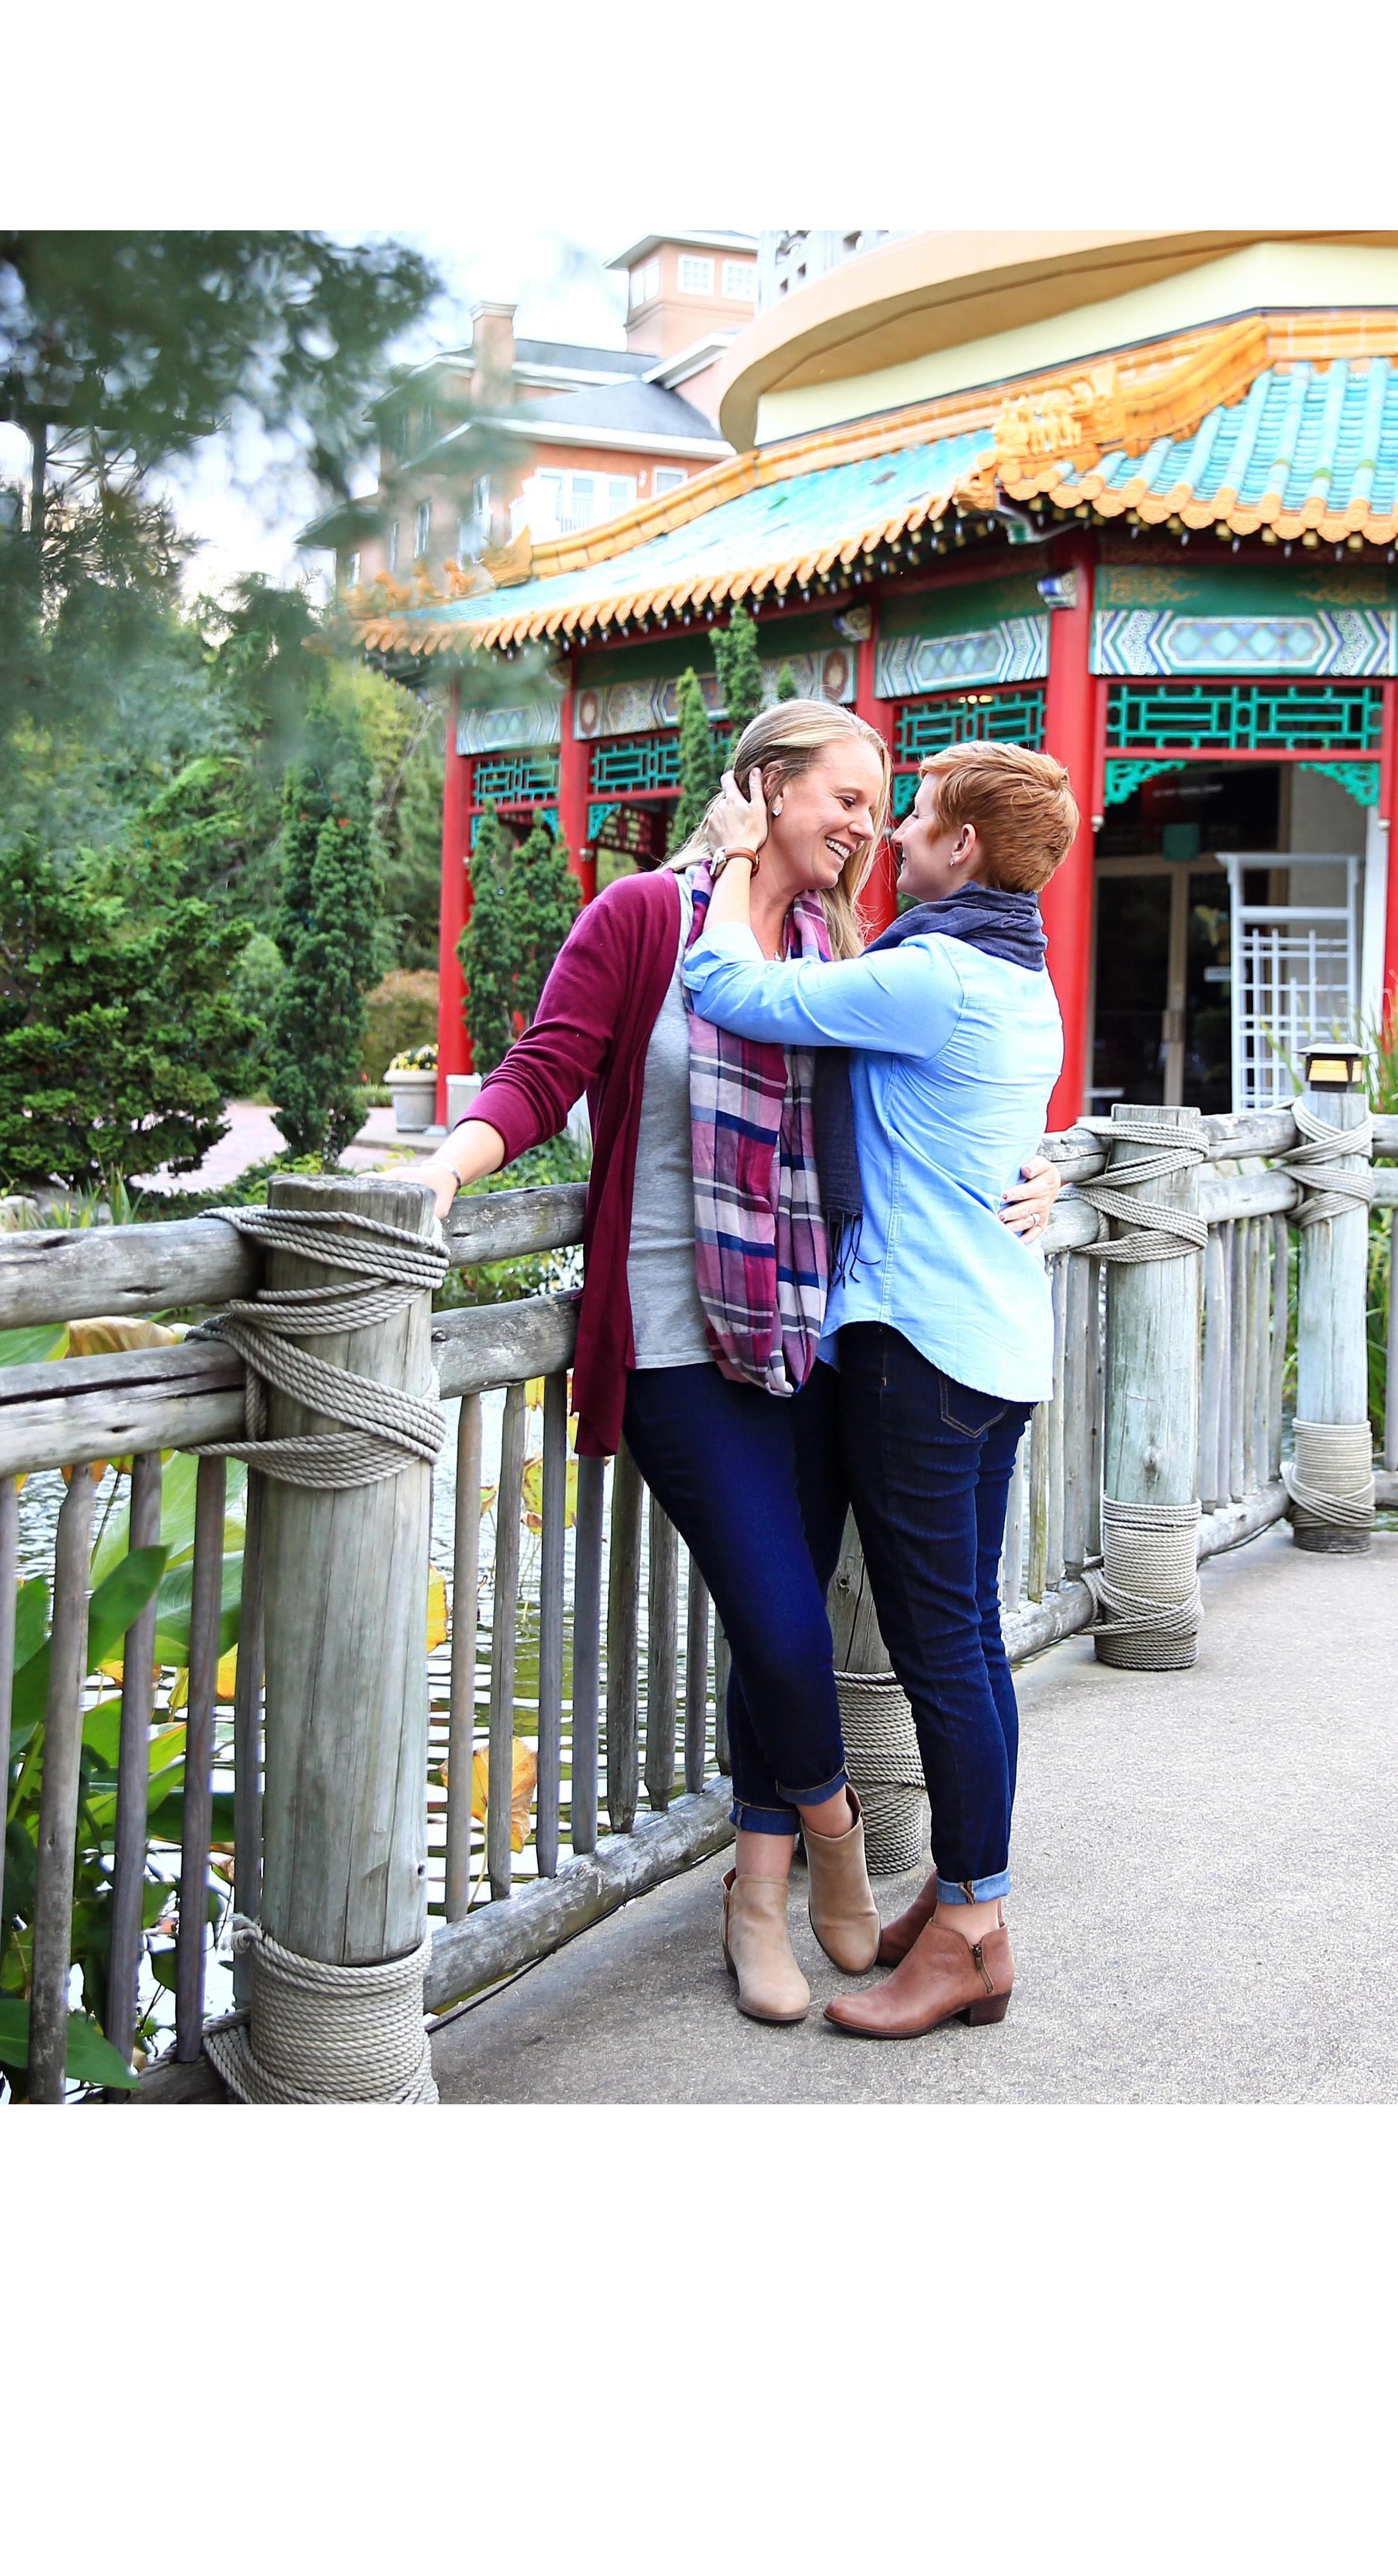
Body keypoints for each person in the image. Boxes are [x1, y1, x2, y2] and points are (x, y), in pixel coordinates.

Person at [396, 700, 1060, 2025]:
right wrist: (435, 1171)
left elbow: (930, 1112)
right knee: (778, 1622)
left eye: (888, 805)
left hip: (809, 1331)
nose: (869, 825)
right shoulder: (648, 915)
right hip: (669, 1335)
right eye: (848, 797)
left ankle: (754, 1895)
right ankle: (829, 1835)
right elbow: (542, 1071)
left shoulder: (841, 942)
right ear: (762, 791)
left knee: (798, 1626)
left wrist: (1040, 1175)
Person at [681, 739, 1078, 2038]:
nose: (893, 836)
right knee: (965, 1641)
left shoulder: (931, 976)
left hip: (917, 1346)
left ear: (963, 848)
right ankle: (970, 1900)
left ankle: (967, 1929)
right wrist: (1052, 1172)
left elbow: (729, 982)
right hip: (993, 1343)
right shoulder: (1026, 980)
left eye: (911, 818)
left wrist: (739, 861)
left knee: (940, 1653)